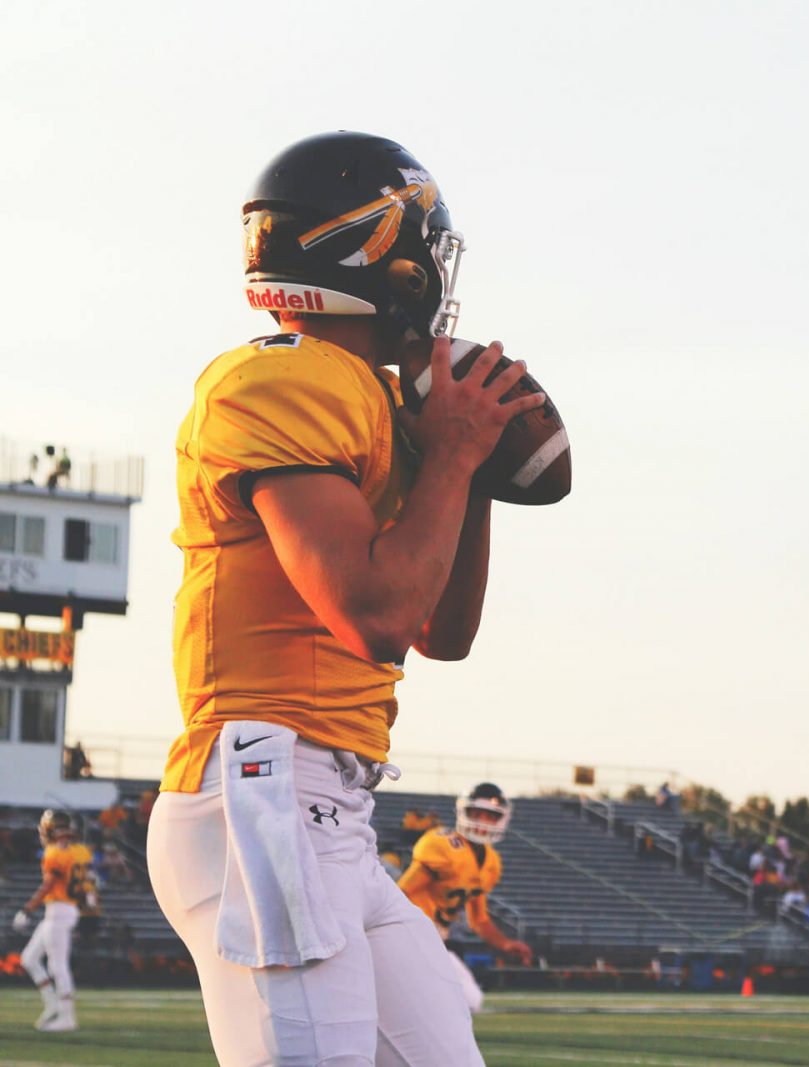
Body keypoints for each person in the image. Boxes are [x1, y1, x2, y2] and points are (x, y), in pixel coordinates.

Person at [146, 131, 549, 1067]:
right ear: (381, 254)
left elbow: (440, 629)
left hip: (331, 802)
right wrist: (448, 454)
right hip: (266, 787)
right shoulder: (282, 376)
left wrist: (473, 468)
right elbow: (370, 616)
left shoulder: (368, 398)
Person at [398, 783, 534, 1013]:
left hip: (436, 939)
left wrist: (505, 943)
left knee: (470, 1000)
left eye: (490, 815)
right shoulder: (443, 845)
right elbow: (401, 892)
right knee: (455, 1001)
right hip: (411, 932)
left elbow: (479, 920)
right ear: (464, 812)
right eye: (476, 813)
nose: (482, 820)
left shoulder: (490, 862)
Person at [12, 810, 95, 1031]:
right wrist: (88, 895)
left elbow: (48, 884)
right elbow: (87, 879)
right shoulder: (80, 851)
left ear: (52, 830)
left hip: (59, 909)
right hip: (65, 909)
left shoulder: (55, 853)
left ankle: (67, 1017)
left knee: (57, 964)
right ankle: (53, 1005)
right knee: (29, 958)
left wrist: (27, 909)